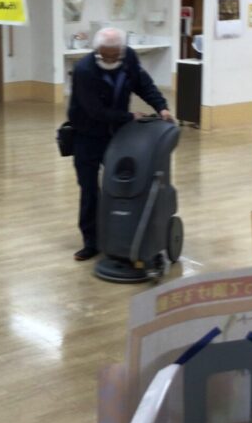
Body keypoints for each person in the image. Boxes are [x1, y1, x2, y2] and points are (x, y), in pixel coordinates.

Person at [68, 27, 174, 261]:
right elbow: (95, 111)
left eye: (114, 55)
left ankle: (124, 234)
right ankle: (91, 242)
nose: (110, 59)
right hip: (86, 135)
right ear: (97, 50)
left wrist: (161, 107)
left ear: (122, 51)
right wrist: (129, 117)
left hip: (118, 135)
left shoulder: (129, 60)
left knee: (124, 183)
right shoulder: (84, 70)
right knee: (89, 189)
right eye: (105, 55)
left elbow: (143, 84)